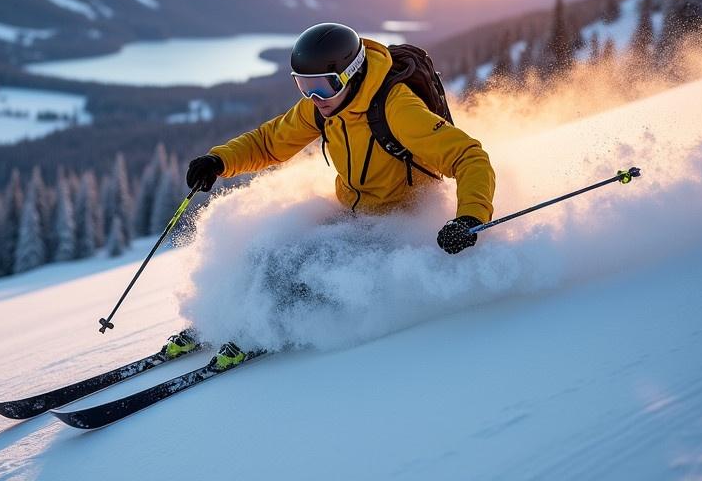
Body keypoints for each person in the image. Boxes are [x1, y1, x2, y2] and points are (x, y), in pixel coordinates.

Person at [167, 22, 496, 370]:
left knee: (307, 262)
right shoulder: (324, 107)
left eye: (324, 86)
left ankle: (255, 329)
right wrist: (219, 161)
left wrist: (470, 218)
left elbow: (469, 157)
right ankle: (222, 316)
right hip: (353, 213)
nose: (314, 98)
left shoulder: (396, 108)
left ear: (350, 75)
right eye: (303, 85)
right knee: (264, 249)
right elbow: (269, 142)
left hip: (398, 222)